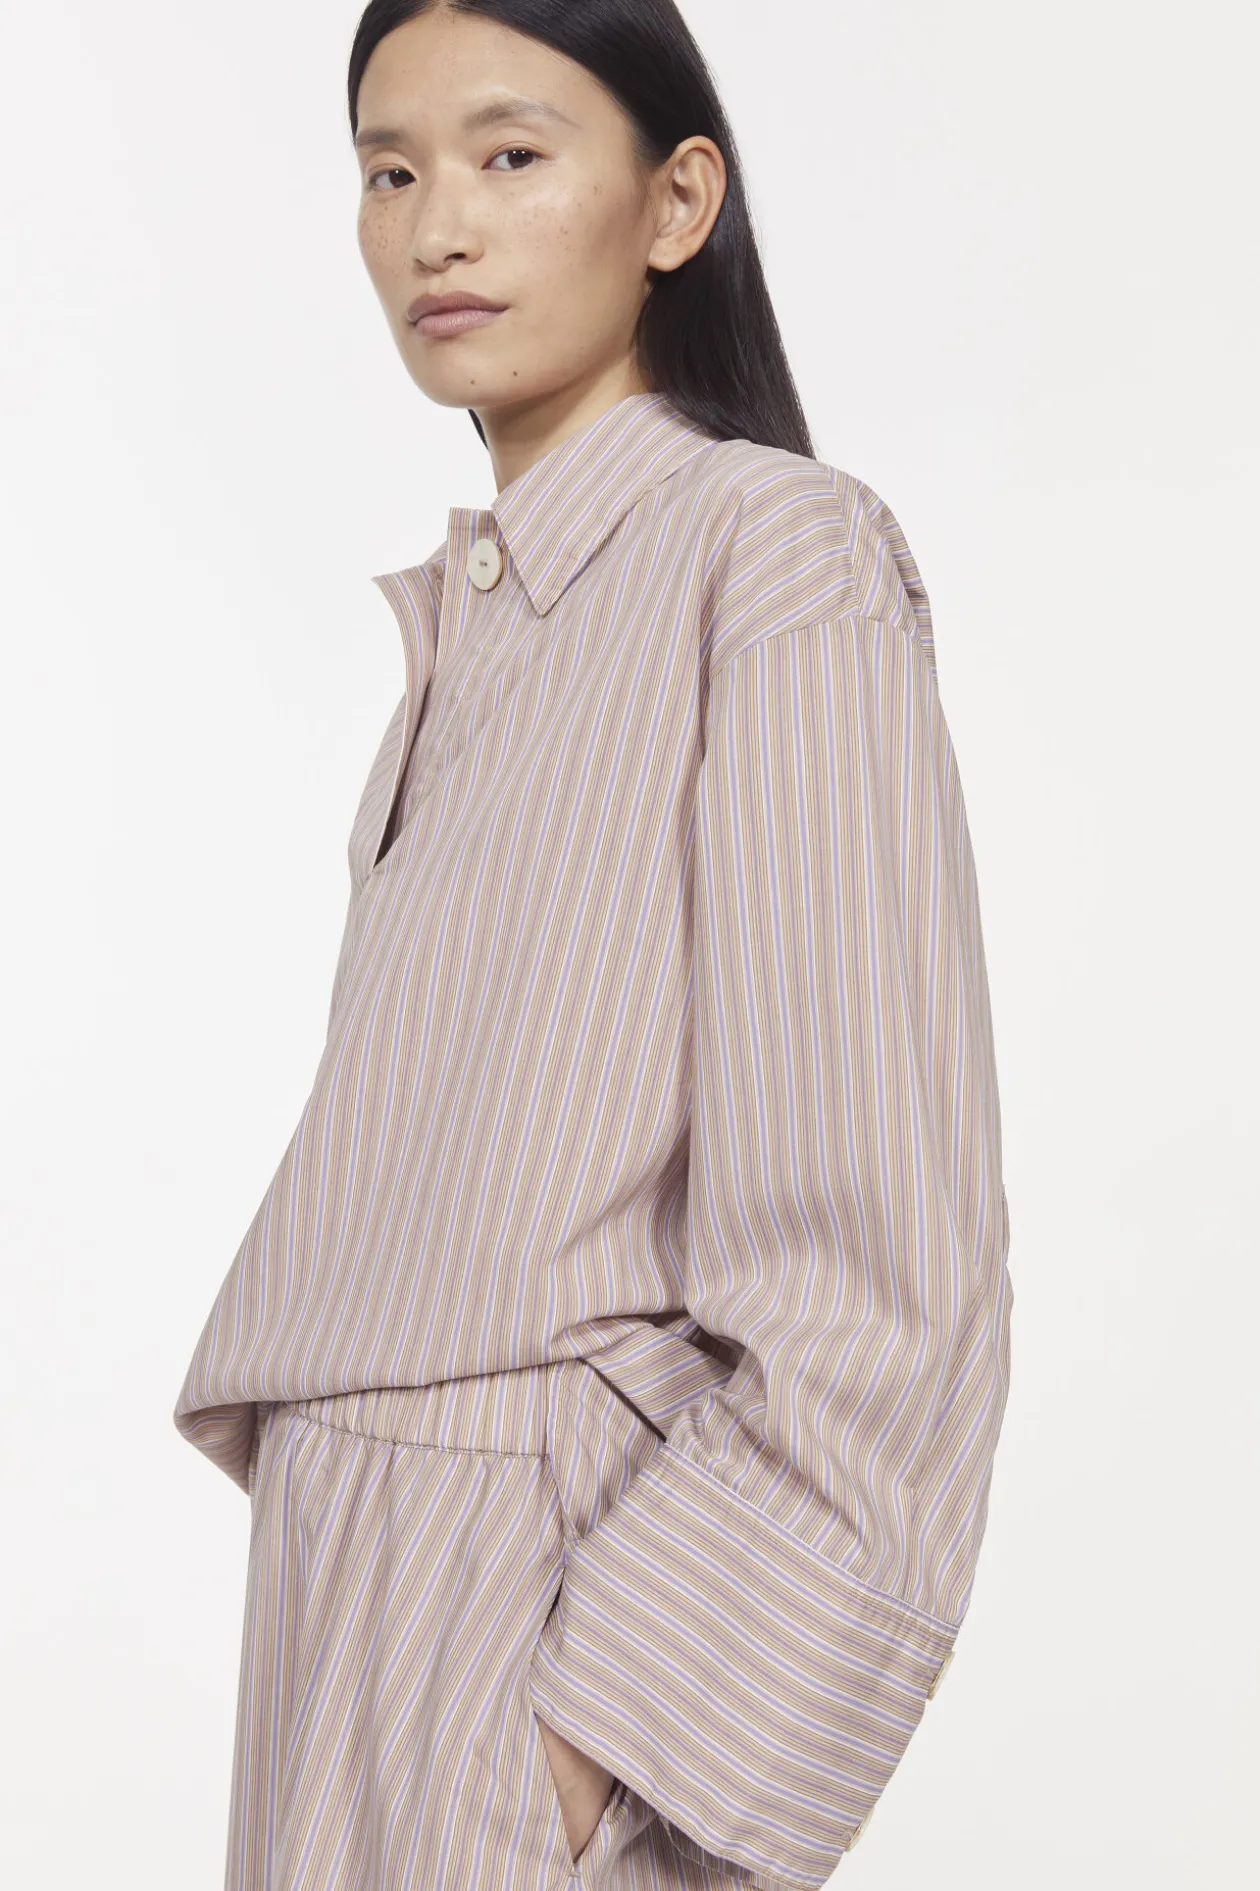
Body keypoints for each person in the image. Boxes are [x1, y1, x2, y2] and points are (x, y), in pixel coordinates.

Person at [172, 2, 1015, 1886]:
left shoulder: (772, 552)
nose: (436, 226)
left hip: (539, 1586)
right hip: (345, 1567)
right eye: (389, 171)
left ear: (676, 201)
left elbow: (882, 1273)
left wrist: (589, 1748)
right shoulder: (482, 626)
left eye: (510, 153)